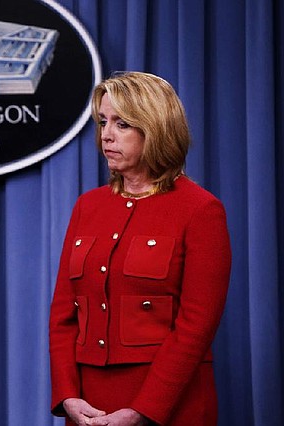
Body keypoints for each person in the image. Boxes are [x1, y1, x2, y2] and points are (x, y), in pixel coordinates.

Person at [48, 71, 231, 426]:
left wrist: (145, 410)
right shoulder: (89, 205)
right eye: (103, 121)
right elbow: (63, 314)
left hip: (167, 405)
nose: (107, 135)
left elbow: (196, 326)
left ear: (157, 128)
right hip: (88, 406)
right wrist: (67, 394)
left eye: (123, 124)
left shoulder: (200, 210)